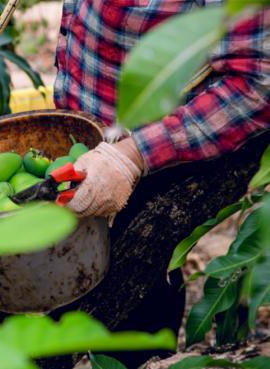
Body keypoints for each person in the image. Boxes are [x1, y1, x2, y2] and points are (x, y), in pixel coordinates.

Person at [54, 0, 269, 366]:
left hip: (157, 166)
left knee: (136, 317)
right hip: (82, 147)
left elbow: (259, 83)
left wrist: (133, 155)